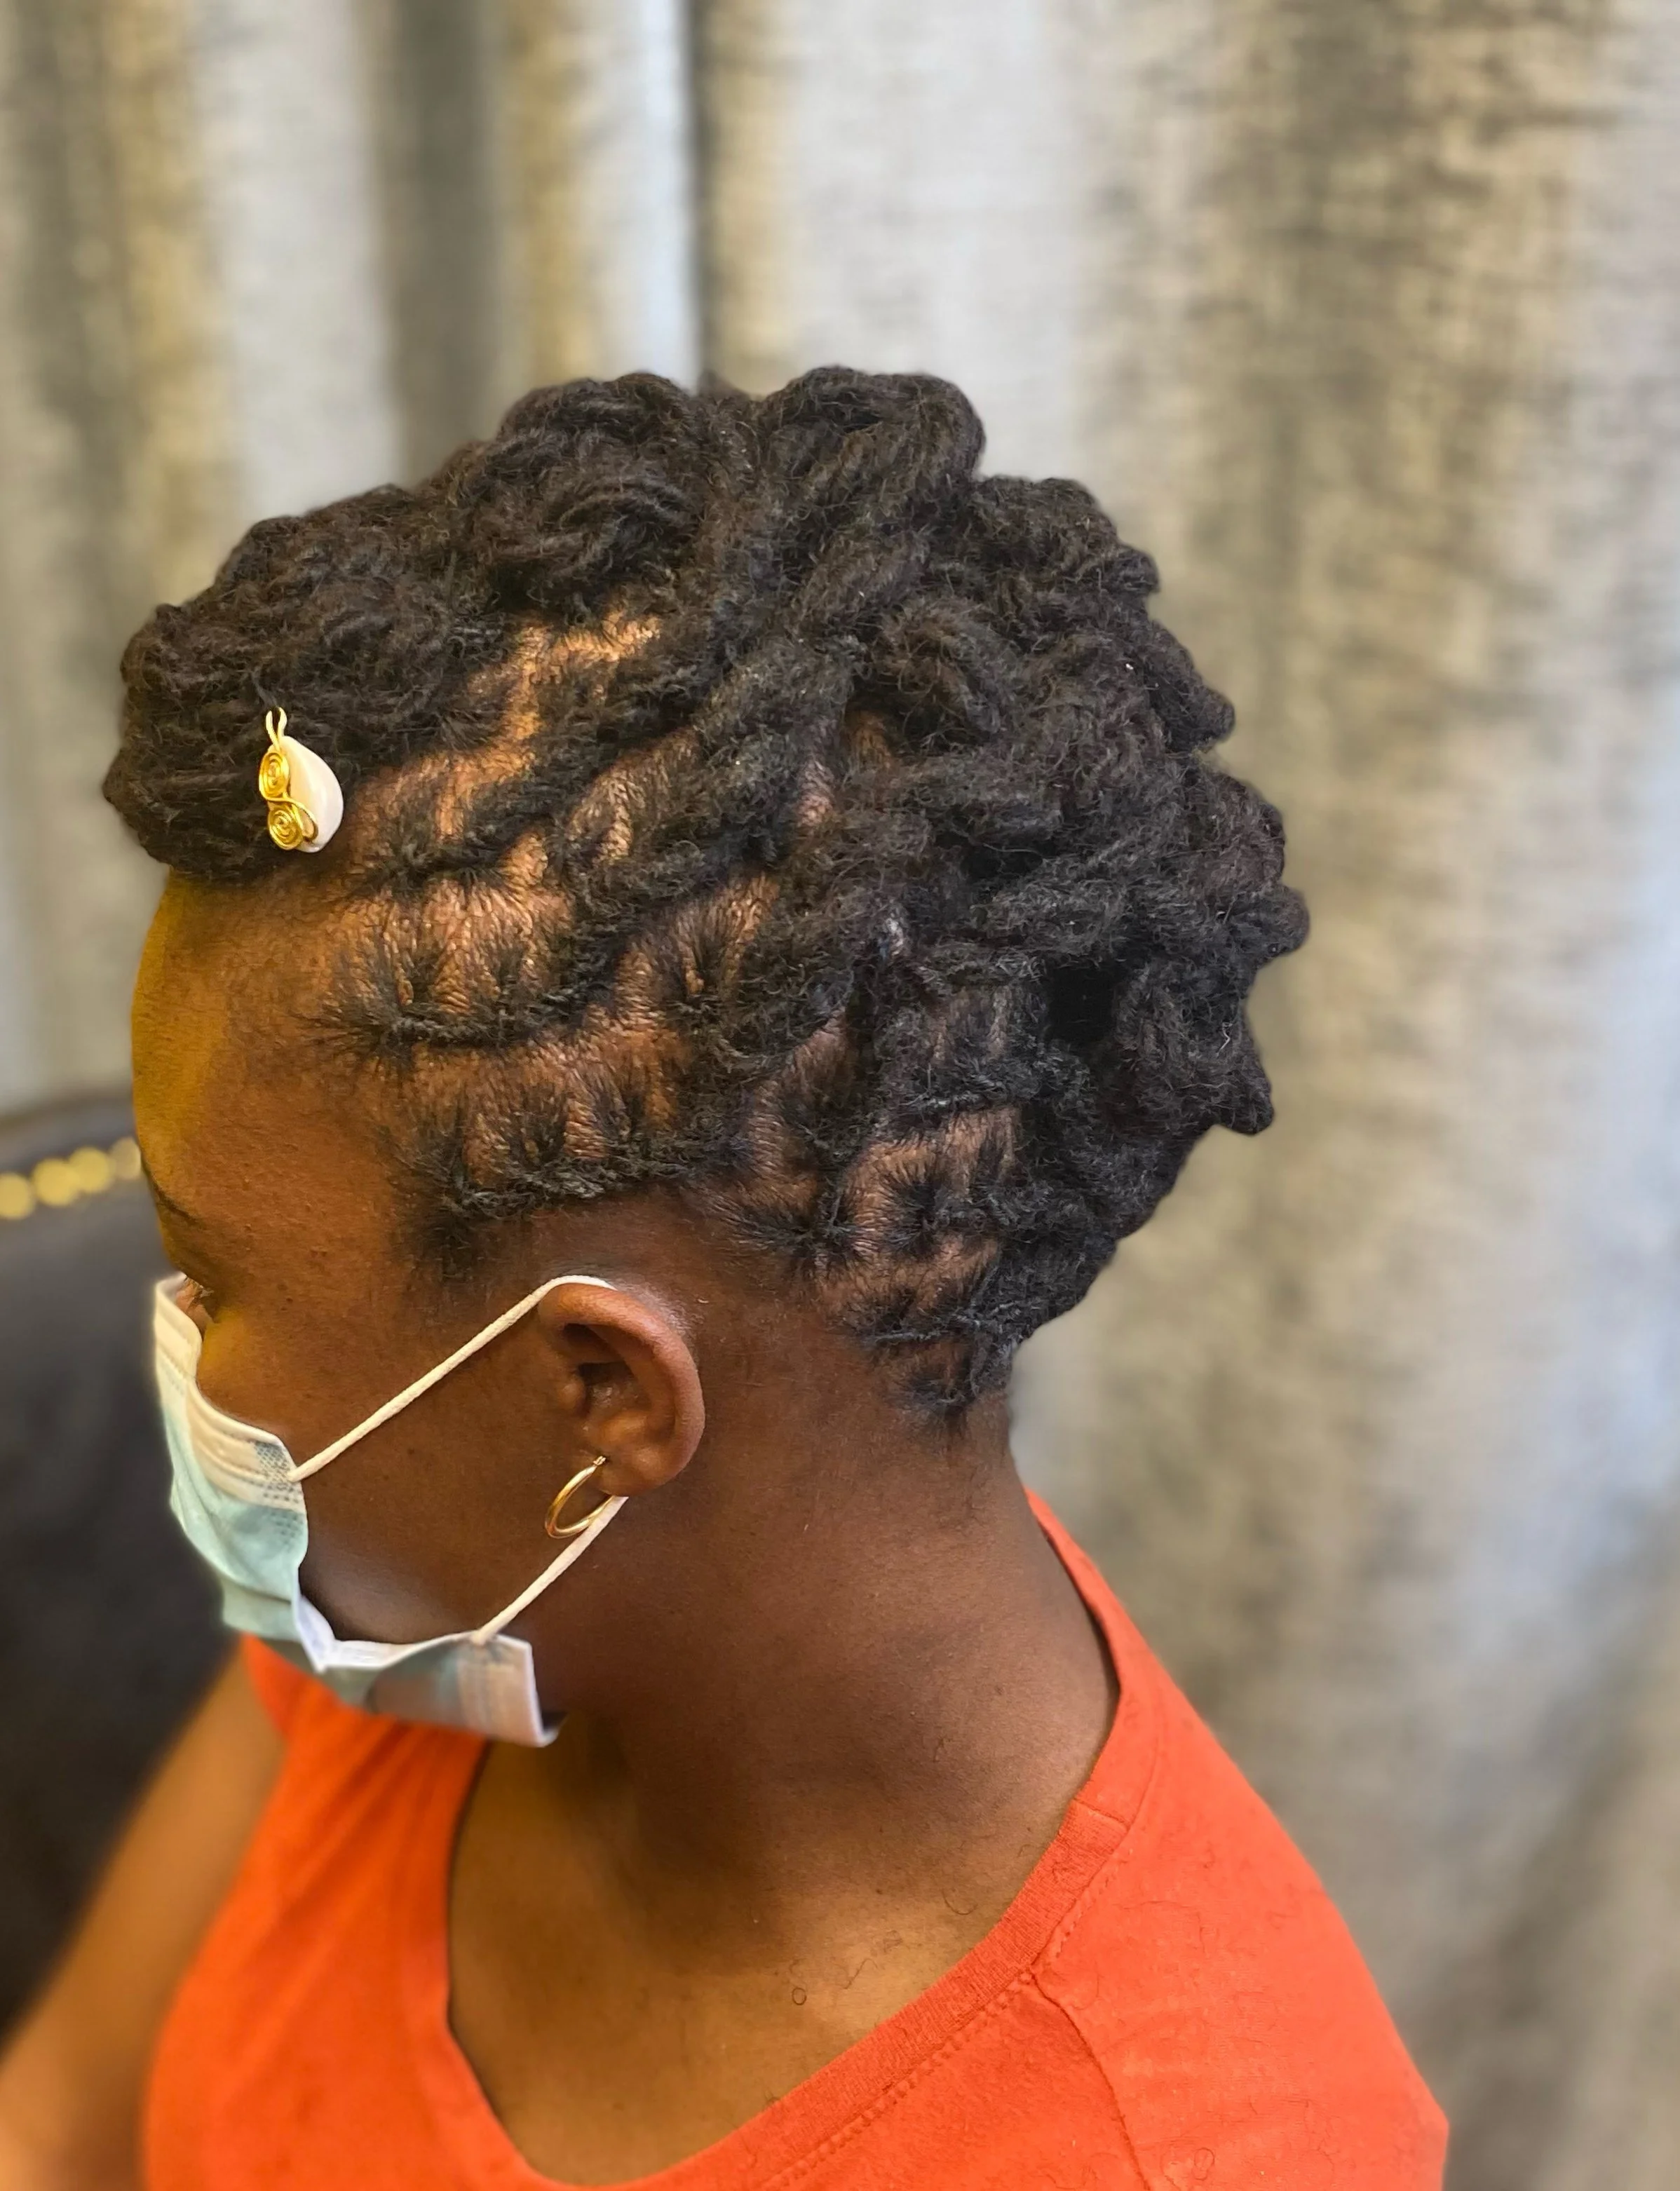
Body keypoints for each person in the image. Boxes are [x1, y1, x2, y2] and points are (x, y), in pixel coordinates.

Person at [0, 368, 1444, 2190]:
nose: (181, 1348)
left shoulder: (1187, 2147)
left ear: (597, 1399)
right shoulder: (421, 1616)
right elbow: (58, 2121)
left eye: (210, 1275)